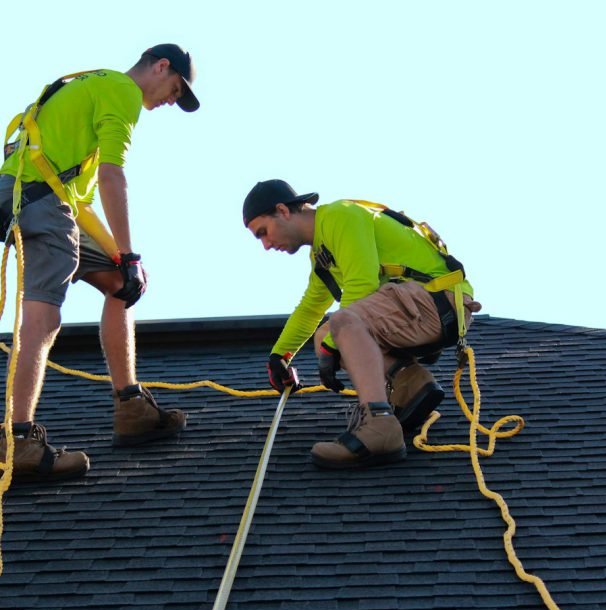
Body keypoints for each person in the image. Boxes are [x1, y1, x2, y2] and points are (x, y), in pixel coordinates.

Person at [0, 44, 200, 482]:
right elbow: (113, 174)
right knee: (42, 319)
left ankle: (132, 409)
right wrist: (130, 252)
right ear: (160, 67)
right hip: (43, 206)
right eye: (175, 89)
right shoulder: (122, 92)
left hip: (44, 201)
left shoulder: (91, 86)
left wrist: (122, 259)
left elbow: (84, 199)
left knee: (120, 285)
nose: (171, 100)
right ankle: (19, 442)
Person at [243, 179, 482, 470]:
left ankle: (380, 426)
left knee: (341, 324)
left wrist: (335, 343)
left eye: (263, 233)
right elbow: (310, 308)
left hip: (435, 300)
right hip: (421, 306)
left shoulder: (339, 216)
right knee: (325, 335)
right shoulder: (322, 253)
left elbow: (362, 285)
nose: (266, 245)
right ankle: (411, 383)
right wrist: (280, 356)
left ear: (282, 210)